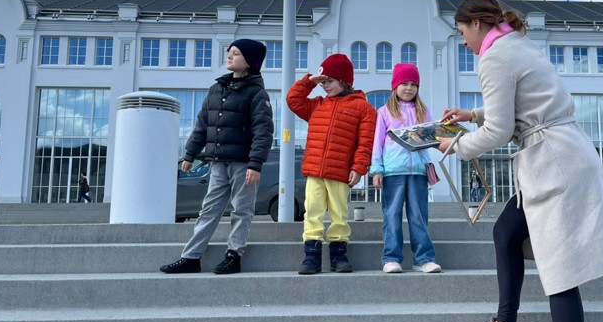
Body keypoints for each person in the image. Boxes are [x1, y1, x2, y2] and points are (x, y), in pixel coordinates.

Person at [438, 0, 603, 322]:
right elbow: (515, 109)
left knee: (561, 271)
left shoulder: (493, 57)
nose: (463, 42)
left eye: (462, 32)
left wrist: (454, 145)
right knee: (506, 231)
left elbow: (499, 131)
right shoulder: (515, 44)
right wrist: (471, 117)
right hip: (557, 155)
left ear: (477, 23)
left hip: (554, 163)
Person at [160, 39, 273, 275]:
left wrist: (256, 163)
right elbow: (203, 124)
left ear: (250, 62)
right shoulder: (216, 89)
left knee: (242, 210)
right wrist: (190, 154)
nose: (230, 56)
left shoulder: (257, 93)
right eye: (229, 52)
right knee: (209, 209)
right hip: (218, 162)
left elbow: (263, 130)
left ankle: (234, 255)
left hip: (244, 164)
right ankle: (191, 257)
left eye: (236, 53)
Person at [287, 53, 377, 275]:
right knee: (313, 211)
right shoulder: (317, 106)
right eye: (323, 81)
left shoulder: (363, 109)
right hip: (315, 170)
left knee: (339, 212)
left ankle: (339, 255)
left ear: (344, 80)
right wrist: (310, 81)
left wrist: (359, 167)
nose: (325, 86)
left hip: (340, 172)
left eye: (330, 81)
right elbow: (293, 100)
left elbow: (365, 143)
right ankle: (311, 256)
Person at [370, 63, 441, 274]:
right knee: (392, 215)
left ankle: (424, 258)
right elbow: (377, 142)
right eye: (404, 83)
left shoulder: (423, 112)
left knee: (419, 216)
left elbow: (430, 139)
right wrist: (377, 170)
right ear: (395, 86)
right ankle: (391, 257)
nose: (409, 88)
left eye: (413, 84)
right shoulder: (384, 112)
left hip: (418, 172)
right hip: (393, 172)